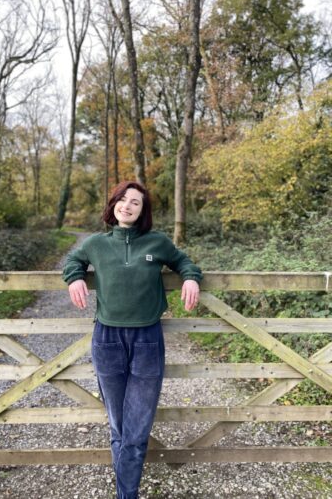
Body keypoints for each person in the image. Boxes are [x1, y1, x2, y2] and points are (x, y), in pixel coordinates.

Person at [63, 180, 202, 499]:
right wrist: (73, 279)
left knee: (136, 430)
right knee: (118, 426)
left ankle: (126, 494)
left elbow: (183, 261)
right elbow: (72, 262)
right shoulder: (96, 243)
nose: (127, 205)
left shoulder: (157, 242)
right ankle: (128, 493)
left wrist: (191, 278)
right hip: (107, 339)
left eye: (135, 202)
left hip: (147, 340)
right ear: (113, 205)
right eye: (122, 200)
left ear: (143, 211)